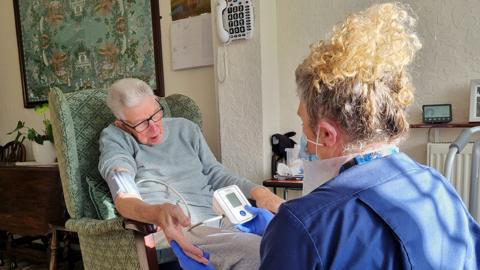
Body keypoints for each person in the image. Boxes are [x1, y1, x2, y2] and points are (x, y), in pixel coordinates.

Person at [173, 3, 480, 270]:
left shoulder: (303, 224)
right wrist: (284, 228)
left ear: (326, 134)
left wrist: (290, 232)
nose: (305, 138)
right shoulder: (436, 186)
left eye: (304, 124)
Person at [98, 78, 283, 269]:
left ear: (157, 102)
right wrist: (157, 213)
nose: (154, 127)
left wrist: (260, 193)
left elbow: (216, 174)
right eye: (141, 124)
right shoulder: (115, 138)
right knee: (258, 251)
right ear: (122, 124)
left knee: (289, 240)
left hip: (217, 222)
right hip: (175, 229)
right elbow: (123, 194)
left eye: (155, 114)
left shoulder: (185, 129)